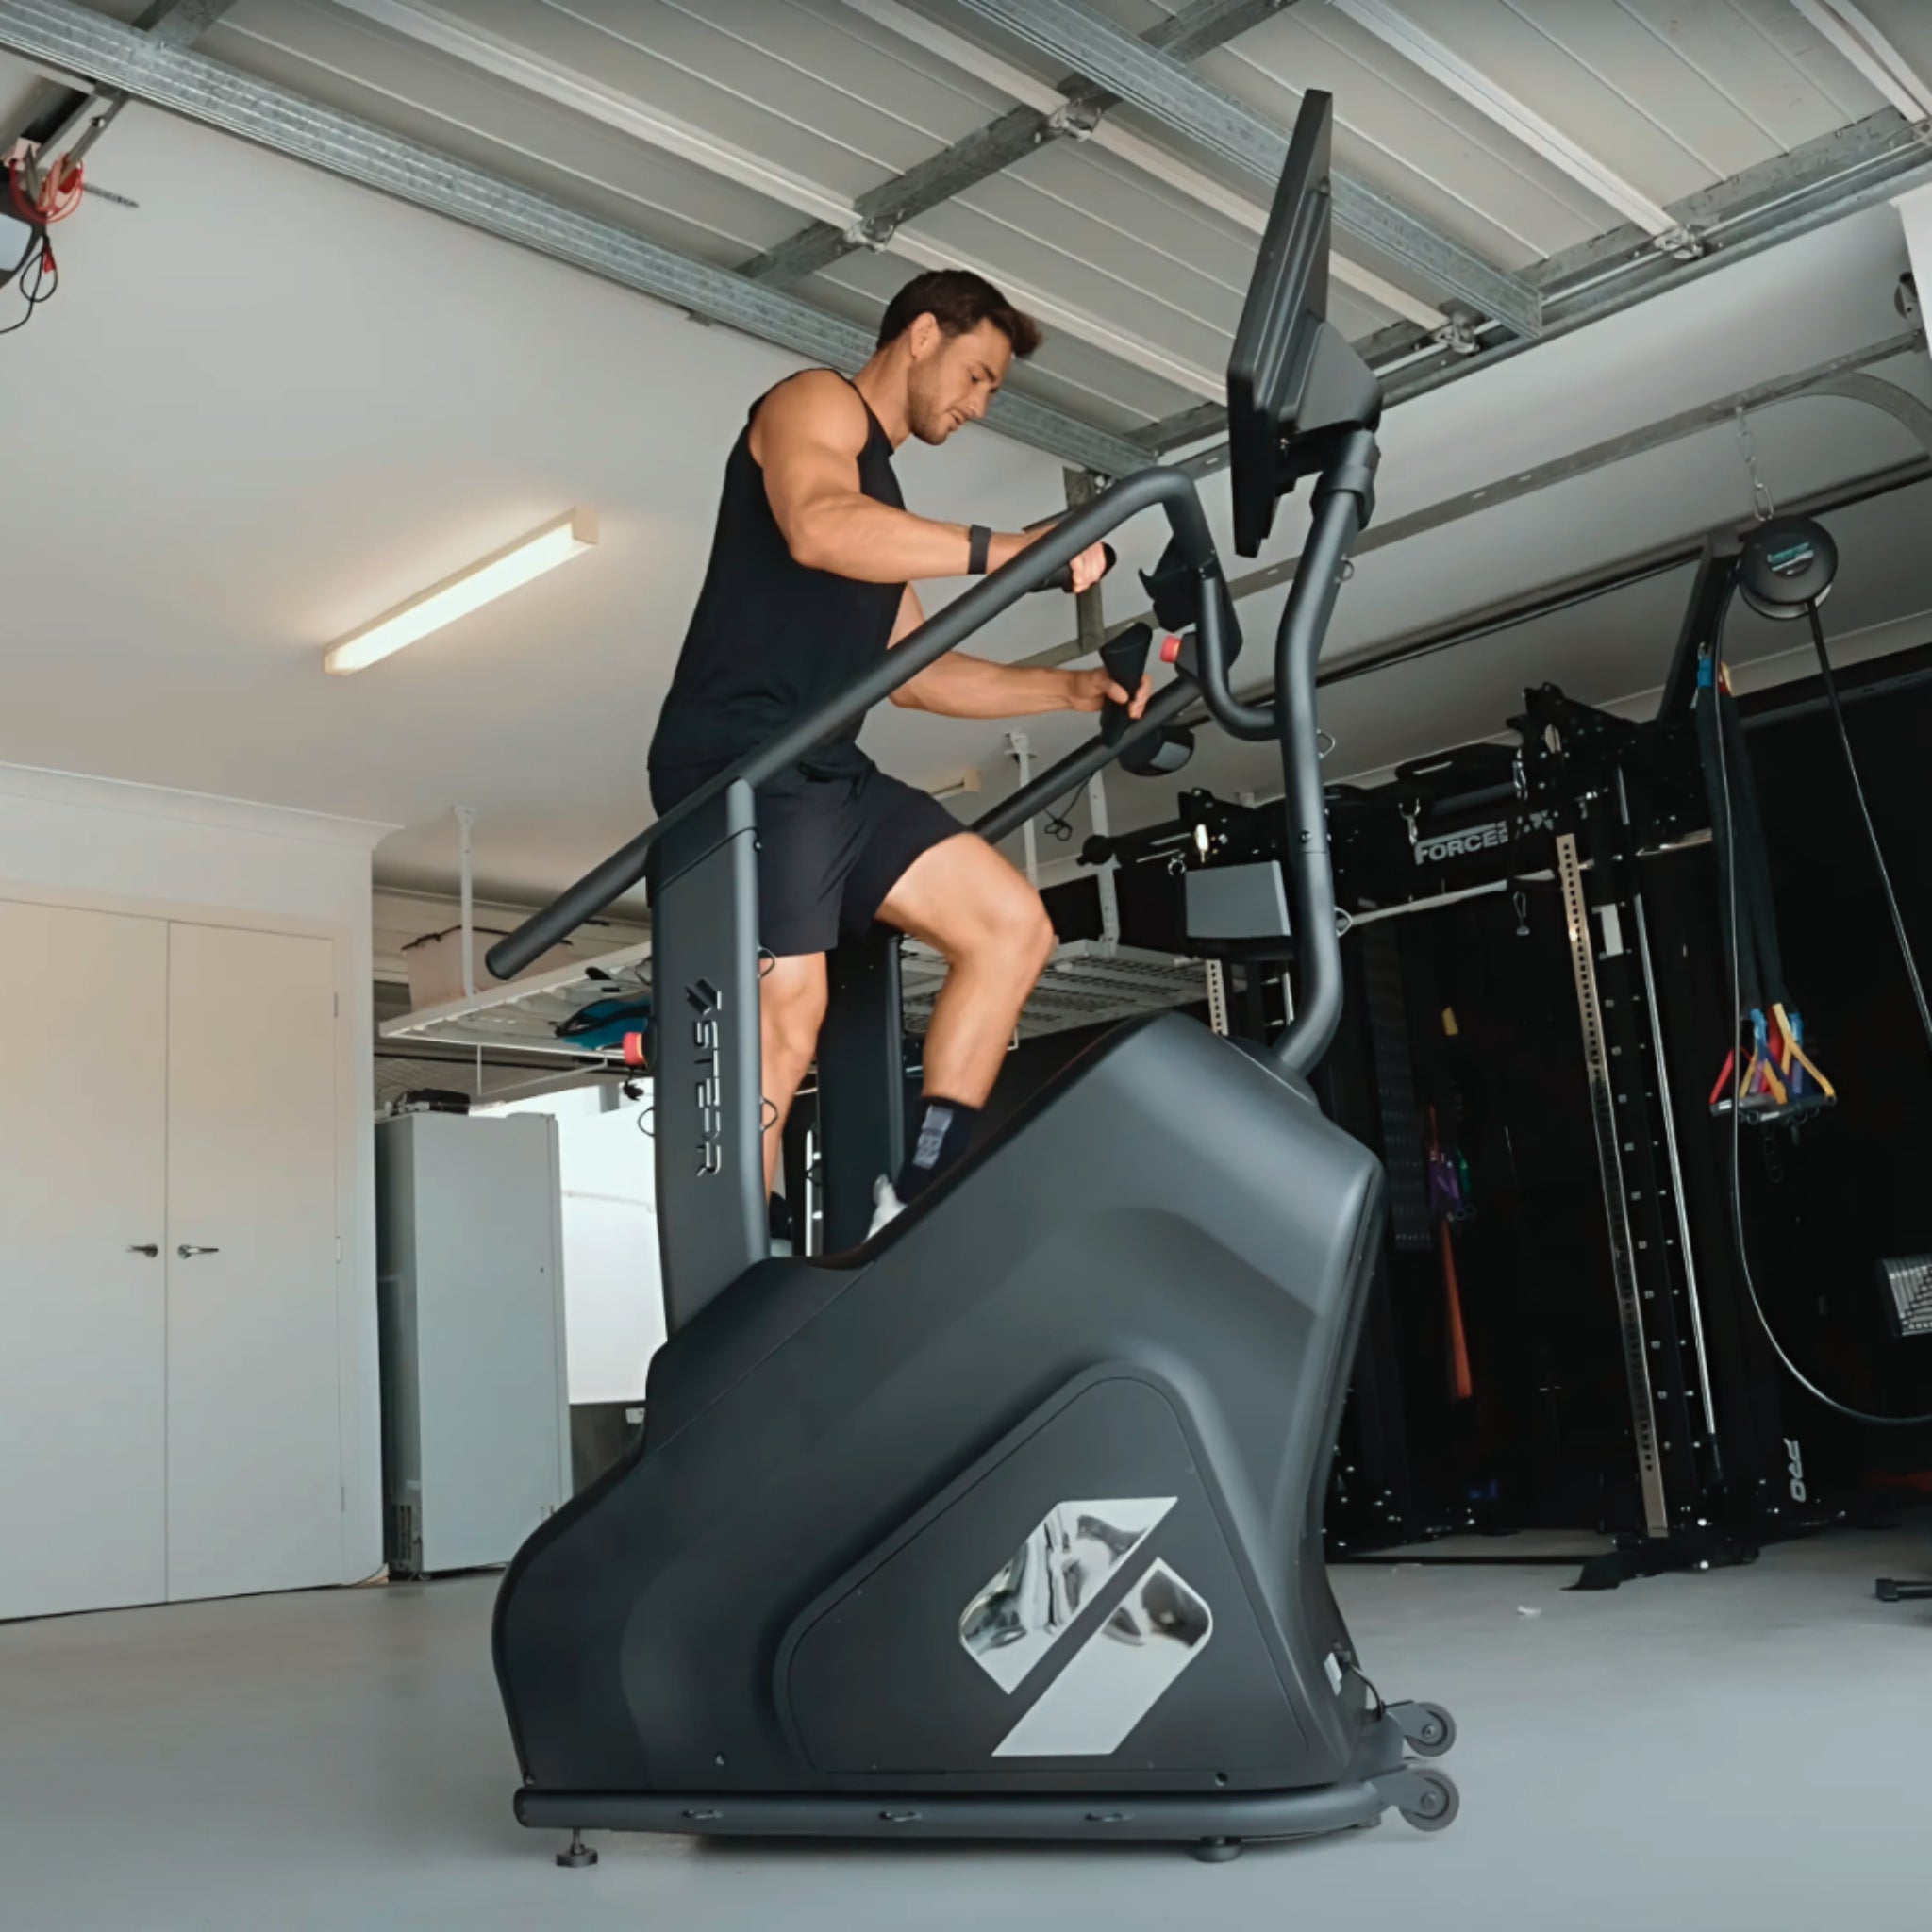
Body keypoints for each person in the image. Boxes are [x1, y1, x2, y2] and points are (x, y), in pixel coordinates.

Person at [647, 268, 1149, 1235]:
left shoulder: (880, 496)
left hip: (826, 768)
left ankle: (916, 1197)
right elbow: (816, 527)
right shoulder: (813, 403)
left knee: (1011, 926)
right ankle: (742, 1266)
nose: (978, 404)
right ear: (921, 335)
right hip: (740, 762)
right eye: (976, 375)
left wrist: (1072, 690)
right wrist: (1009, 550)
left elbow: (915, 673)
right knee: (790, 1008)